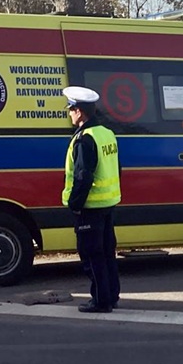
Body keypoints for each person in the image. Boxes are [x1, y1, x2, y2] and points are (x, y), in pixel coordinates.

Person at [61, 86, 121, 313]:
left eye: (71, 109)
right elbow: (117, 168)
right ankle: (111, 296)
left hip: (90, 207)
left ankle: (100, 301)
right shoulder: (107, 134)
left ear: (79, 111)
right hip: (108, 204)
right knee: (107, 254)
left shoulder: (84, 139)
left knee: (92, 256)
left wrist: (75, 205)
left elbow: (83, 176)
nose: (69, 114)